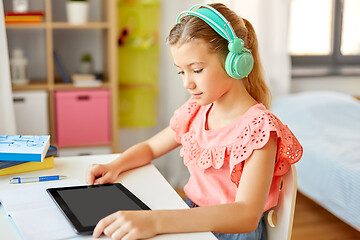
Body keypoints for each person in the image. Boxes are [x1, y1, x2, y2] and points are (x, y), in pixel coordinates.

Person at [86, 3, 303, 240]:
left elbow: (246, 214)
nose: (187, 83)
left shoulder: (259, 129)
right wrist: (115, 166)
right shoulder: (195, 111)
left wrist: (156, 220)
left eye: (197, 70)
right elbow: (150, 148)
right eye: (181, 72)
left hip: (232, 233)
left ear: (236, 63)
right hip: (191, 217)